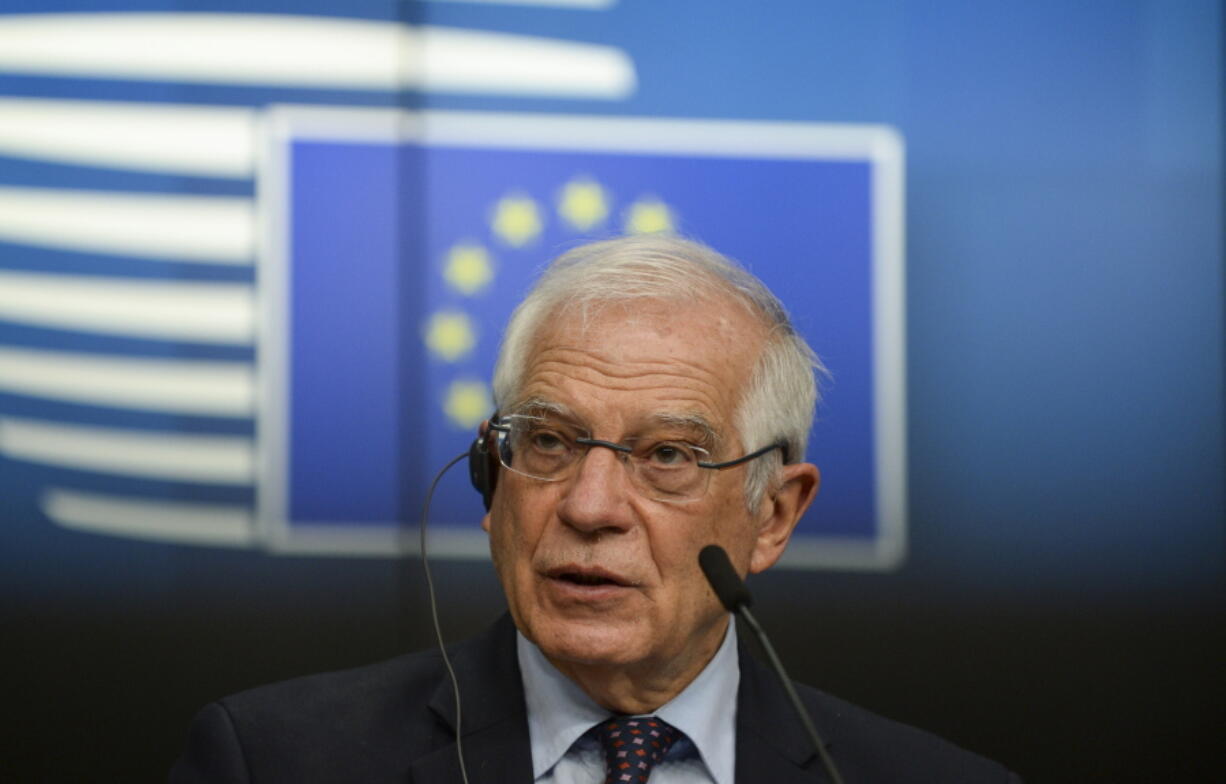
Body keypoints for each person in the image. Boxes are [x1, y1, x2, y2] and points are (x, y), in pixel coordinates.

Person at [171, 235, 1020, 783]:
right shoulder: (276, 761)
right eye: (548, 442)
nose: (589, 506)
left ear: (773, 516)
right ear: (489, 477)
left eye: (668, 457)